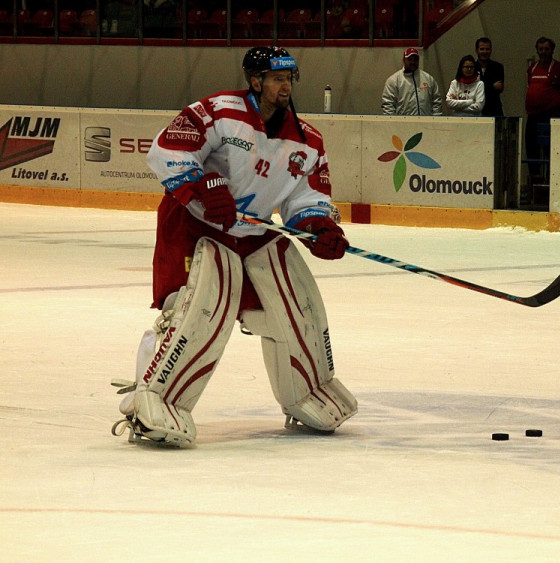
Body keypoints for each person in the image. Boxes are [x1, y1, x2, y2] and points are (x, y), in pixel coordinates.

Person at [111, 46, 357, 447]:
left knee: (295, 309)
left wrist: (318, 225)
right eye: (277, 78)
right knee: (187, 311)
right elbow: (168, 149)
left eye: (289, 79)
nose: (285, 86)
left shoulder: (308, 139)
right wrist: (202, 186)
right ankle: (150, 397)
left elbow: (306, 197)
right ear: (256, 81)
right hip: (194, 225)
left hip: (252, 233)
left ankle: (307, 391)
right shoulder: (217, 110)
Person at [524, 36, 560, 184]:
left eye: (546, 49)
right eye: (541, 49)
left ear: (552, 50)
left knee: (551, 151)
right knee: (532, 149)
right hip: (533, 116)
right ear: (537, 50)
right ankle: (534, 180)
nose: (543, 52)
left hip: (551, 116)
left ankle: (551, 181)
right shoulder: (531, 69)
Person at [381, 47, 442, 116]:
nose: (413, 62)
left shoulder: (428, 79)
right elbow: (388, 105)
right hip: (403, 124)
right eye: (410, 59)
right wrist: (394, 123)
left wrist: (435, 120)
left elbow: (436, 102)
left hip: (426, 124)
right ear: (404, 60)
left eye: (415, 59)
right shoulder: (393, 81)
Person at [474, 37, 504, 117]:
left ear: (491, 50)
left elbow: (499, 88)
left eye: (487, 49)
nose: (485, 52)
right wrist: (492, 86)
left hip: (494, 109)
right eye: (482, 49)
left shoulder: (498, 67)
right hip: (476, 110)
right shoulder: (472, 68)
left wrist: (481, 87)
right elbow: (473, 90)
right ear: (476, 50)